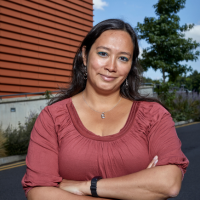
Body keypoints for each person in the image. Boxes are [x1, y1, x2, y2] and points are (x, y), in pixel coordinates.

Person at [22, 19, 189, 200]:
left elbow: (169, 184)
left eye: (123, 58)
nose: (111, 66)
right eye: (103, 53)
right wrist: (136, 190)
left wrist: (85, 187)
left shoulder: (154, 115)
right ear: (85, 56)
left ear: (131, 65)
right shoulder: (53, 118)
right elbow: (38, 194)